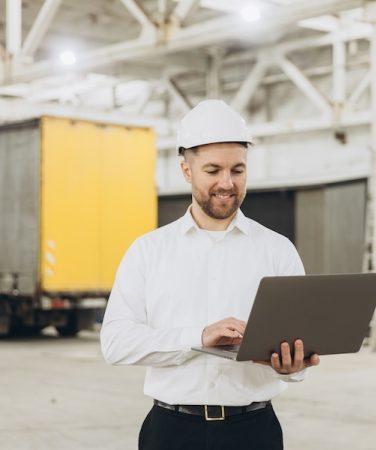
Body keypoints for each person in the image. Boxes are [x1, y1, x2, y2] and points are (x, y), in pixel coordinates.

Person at [100, 99, 320, 450]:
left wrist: (292, 365)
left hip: (254, 431)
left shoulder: (278, 251)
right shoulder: (149, 251)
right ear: (186, 171)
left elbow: (299, 348)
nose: (227, 183)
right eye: (213, 170)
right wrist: (198, 337)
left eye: (238, 170)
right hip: (171, 432)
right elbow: (115, 343)